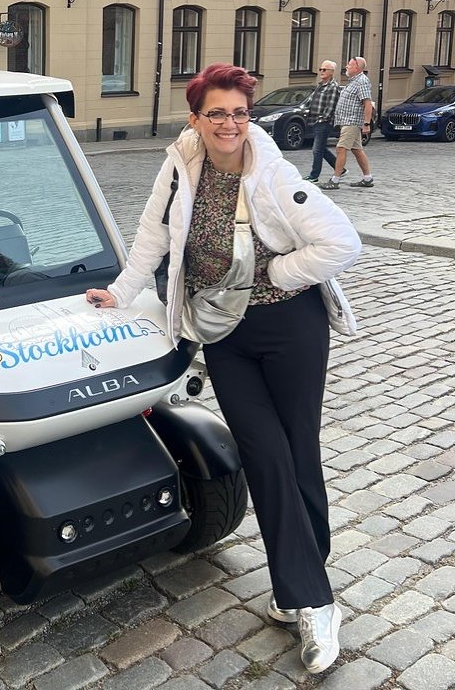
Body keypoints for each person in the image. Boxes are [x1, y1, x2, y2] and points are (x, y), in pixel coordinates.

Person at [85, 63, 361, 676]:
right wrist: (122, 291)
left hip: (291, 328)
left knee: (298, 453)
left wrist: (277, 275)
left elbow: (342, 242)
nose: (230, 123)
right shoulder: (181, 162)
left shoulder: (273, 171)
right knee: (264, 455)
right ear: (196, 118)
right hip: (224, 333)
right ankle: (311, 593)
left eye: (239, 112)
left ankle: (306, 591)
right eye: (217, 113)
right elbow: (152, 238)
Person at [321, 56, 374, 190]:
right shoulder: (352, 81)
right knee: (357, 150)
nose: (346, 67)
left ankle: (335, 180)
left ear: (357, 68)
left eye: (349, 65)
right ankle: (367, 178)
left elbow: (367, 103)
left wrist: (366, 124)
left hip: (352, 121)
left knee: (341, 148)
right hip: (346, 121)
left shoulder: (362, 81)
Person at [304, 60, 341, 184]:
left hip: (324, 122)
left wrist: (323, 118)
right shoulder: (320, 85)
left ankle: (314, 176)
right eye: (321, 69)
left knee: (317, 150)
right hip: (315, 120)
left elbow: (331, 106)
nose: (321, 72)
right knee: (321, 148)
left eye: (325, 70)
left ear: (331, 72)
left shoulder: (333, 87)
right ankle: (340, 169)